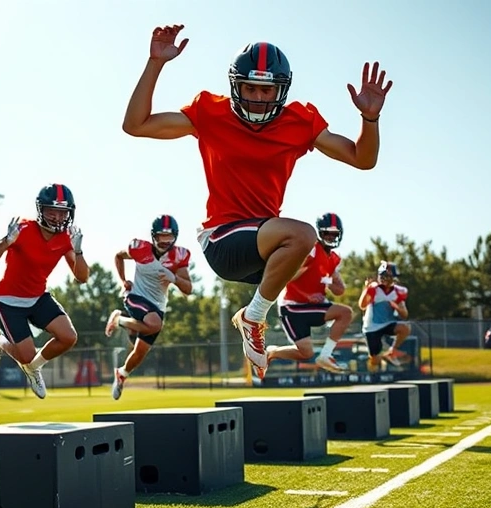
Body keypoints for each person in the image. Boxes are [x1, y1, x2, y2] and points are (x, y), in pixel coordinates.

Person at [121, 24, 393, 378]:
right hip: (223, 239)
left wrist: (369, 118)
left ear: (281, 90)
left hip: (261, 254)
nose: (258, 97)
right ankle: (254, 316)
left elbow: (362, 158)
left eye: (267, 90)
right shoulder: (210, 111)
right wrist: (155, 63)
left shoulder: (300, 120)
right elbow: (136, 125)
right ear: (235, 85)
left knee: (309, 254)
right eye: (250, 87)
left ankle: (253, 315)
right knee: (304, 235)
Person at [0, 184, 88, 400]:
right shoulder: (23, 229)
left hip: (38, 296)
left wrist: (78, 250)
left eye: (62, 212)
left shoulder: (66, 237)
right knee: (26, 354)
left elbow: (82, 277)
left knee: (68, 337)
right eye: (52, 211)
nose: (58, 217)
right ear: (41, 210)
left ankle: (33, 368)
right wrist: (6, 242)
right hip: (9, 300)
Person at [105, 214, 192, 400]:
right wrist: (123, 281)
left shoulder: (179, 256)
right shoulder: (140, 248)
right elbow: (118, 256)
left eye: (169, 237)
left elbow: (188, 289)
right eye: (161, 236)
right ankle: (119, 319)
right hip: (136, 297)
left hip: (158, 306)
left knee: (139, 353)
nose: (165, 241)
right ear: (154, 236)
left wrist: (174, 278)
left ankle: (122, 374)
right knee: (155, 324)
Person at [267, 212, 354, 373]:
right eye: (327, 232)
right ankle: (326, 355)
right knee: (345, 313)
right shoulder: (311, 251)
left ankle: (271, 353)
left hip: (307, 307)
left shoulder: (333, 259)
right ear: (320, 232)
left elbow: (339, 290)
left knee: (306, 353)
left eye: (334, 233)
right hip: (293, 306)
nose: (331, 236)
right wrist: (308, 295)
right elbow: (287, 276)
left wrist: (331, 280)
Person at [358, 261, 411, 369]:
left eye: (389, 276)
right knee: (375, 361)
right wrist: (366, 290)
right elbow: (362, 305)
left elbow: (405, 315)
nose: (386, 279)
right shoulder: (374, 289)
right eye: (385, 276)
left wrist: (397, 307)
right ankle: (381, 359)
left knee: (405, 328)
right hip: (372, 327)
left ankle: (392, 351)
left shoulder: (398, 292)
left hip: (387, 323)